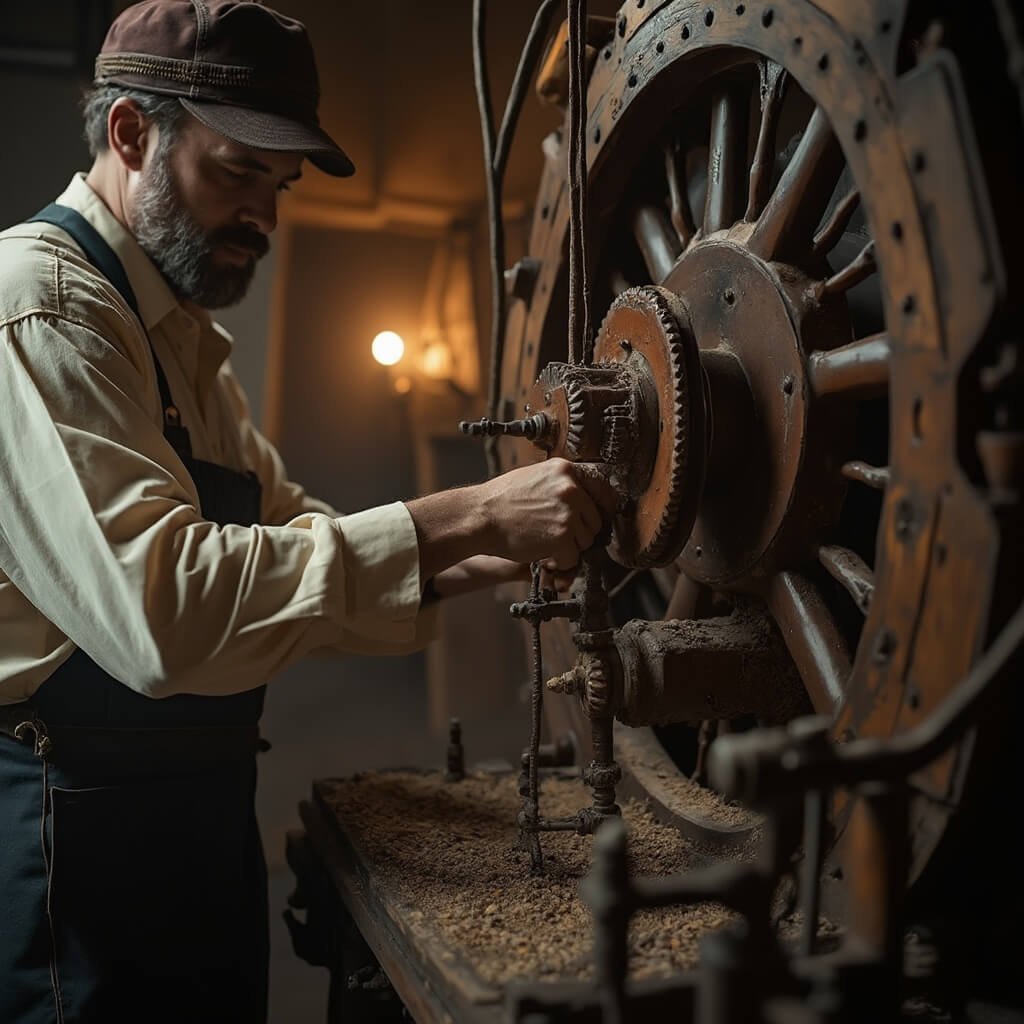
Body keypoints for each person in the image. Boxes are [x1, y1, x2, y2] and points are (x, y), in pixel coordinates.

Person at [0, 2, 612, 1022]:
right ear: (130, 135)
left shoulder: (185, 342)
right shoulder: (45, 309)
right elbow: (165, 614)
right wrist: (473, 517)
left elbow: (296, 542)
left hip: (190, 812)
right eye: (239, 172)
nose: (265, 220)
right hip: (73, 837)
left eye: (278, 188)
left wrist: (512, 547)